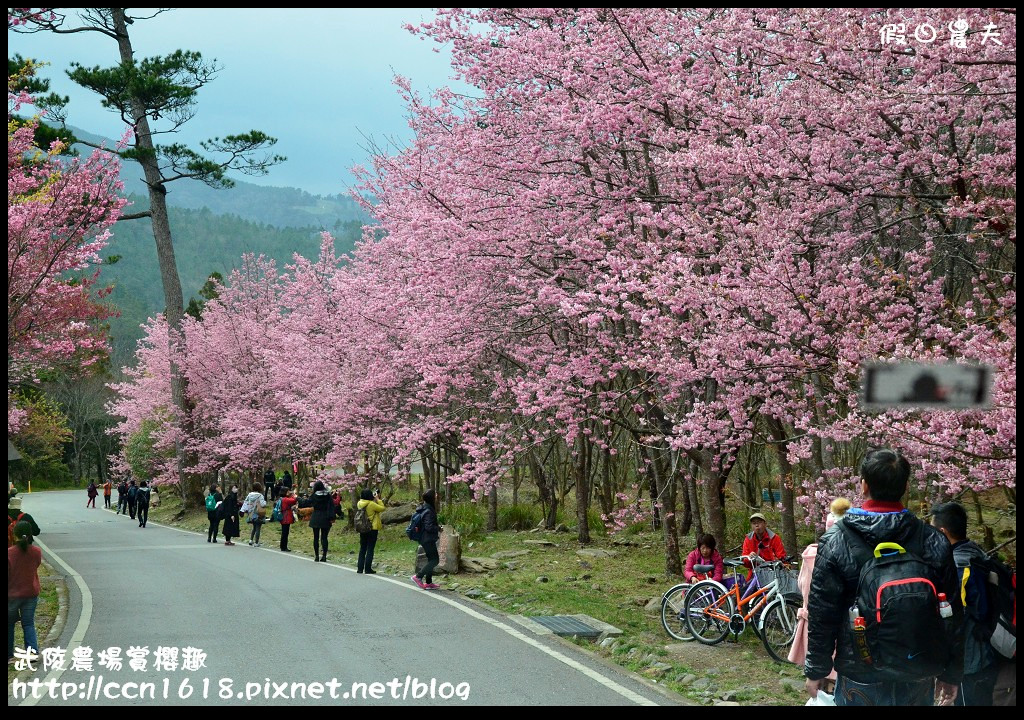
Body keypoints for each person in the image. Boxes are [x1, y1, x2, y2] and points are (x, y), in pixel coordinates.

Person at [804, 448, 964, 706]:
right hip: (918, 669)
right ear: (906, 486)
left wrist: (816, 669)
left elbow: (823, 613)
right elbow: (952, 612)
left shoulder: (836, 540)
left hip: (861, 672)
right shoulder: (932, 539)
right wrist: (952, 672)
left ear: (863, 485)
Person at [930, 501, 999, 706]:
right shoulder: (976, 553)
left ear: (942, 532)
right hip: (986, 652)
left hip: (970, 660)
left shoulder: (959, 567)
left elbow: (953, 620)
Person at [788, 498, 851, 676]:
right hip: (842, 629)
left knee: (820, 682)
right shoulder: (850, 555)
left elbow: (803, 587)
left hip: (814, 627)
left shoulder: (811, 556)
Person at [8, 520, 41, 664]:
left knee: (9, 624)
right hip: (30, 592)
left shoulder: (9, 553)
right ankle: (32, 652)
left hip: (12, 594)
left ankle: (9, 655)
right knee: (28, 624)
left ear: (14, 535)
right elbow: (36, 566)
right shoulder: (36, 552)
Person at [741, 512, 787, 580]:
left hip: (772, 572)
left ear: (765, 524)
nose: (757, 525)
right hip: (755, 573)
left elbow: (782, 557)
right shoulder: (748, 539)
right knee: (747, 588)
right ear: (751, 526)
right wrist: (749, 558)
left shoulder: (774, 538)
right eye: (754, 523)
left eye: (759, 522)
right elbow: (745, 561)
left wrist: (777, 561)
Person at [411, 489, 441, 590]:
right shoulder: (429, 511)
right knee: (435, 560)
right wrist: (438, 528)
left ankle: (429, 582)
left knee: (431, 559)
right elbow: (429, 527)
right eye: (435, 494)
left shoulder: (425, 508)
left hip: (425, 538)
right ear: (432, 498)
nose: (437, 496)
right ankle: (418, 576)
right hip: (427, 539)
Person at [299, 481, 334, 562]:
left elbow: (306, 502)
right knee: (324, 538)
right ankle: (324, 556)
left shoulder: (314, 495)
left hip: (316, 517)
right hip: (325, 517)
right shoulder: (328, 495)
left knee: (316, 537)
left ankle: (316, 556)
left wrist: (298, 498)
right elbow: (332, 506)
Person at [356, 487, 386, 574]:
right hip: (372, 528)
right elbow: (382, 508)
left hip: (362, 528)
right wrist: (378, 499)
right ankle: (368, 568)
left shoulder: (359, 503)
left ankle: (360, 568)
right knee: (370, 548)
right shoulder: (371, 504)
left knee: (362, 548)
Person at [242, 483, 267, 547]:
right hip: (258, 513)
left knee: (254, 527)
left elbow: (246, 502)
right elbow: (263, 504)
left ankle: (251, 540)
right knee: (258, 527)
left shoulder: (249, 495)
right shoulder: (260, 495)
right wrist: (265, 502)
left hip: (251, 513)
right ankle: (256, 542)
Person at [279, 488, 298, 552]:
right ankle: (284, 546)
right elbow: (293, 500)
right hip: (286, 517)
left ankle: (283, 546)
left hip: (284, 516)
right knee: (285, 532)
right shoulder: (285, 499)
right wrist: (293, 494)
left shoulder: (282, 499)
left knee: (284, 532)